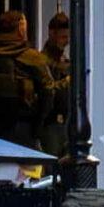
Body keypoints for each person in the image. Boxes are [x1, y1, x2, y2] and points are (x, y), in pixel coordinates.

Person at [0, 11, 56, 149]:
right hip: (23, 129)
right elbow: (48, 92)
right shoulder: (31, 57)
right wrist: (38, 126)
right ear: (20, 29)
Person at [40, 13, 72, 156]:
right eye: (63, 37)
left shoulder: (63, 60)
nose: (66, 42)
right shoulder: (42, 61)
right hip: (50, 124)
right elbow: (48, 90)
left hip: (64, 123)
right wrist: (68, 81)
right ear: (52, 34)